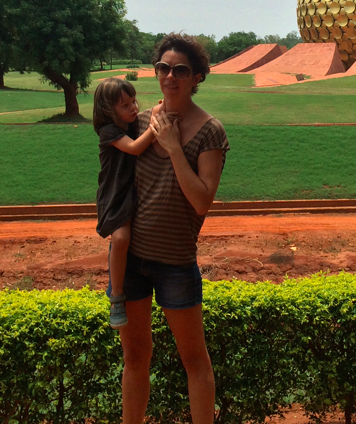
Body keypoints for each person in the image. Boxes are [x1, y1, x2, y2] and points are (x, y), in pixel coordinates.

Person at [115, 33, 230, 424]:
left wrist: (174, 146)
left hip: (175, 262)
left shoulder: (209, 131)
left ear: (197, 77)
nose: (170, 76)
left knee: (194, 360)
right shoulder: (141, 122)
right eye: (163, 68)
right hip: (131, 260)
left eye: (181, 70)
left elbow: (201, 200)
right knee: (135, 357)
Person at [93, 77, 157, 328]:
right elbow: (134, 148)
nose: (133, 108)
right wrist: (156, 127)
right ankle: (117, 296)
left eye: (134, 102)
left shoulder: (130, 122)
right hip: (115, 193)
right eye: (125, 105)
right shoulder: (109, 131)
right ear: (109, 111)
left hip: (132, 190)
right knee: (120, 239)